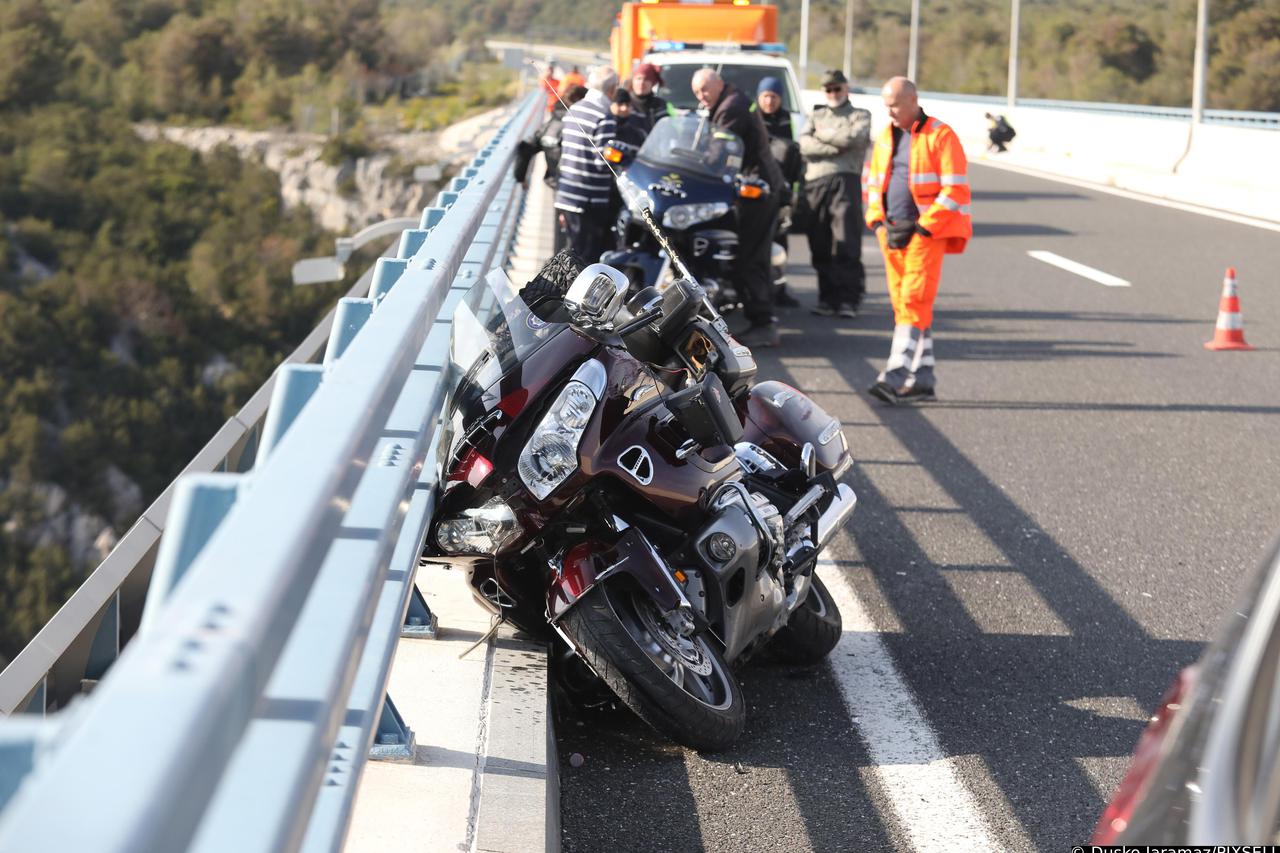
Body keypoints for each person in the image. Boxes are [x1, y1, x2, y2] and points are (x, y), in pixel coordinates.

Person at [864, 77, 971, 404]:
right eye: (886, 105)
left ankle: (895, 375)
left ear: (913, 101)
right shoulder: (885, 136)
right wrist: (878, 223)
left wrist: (925, 227)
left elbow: (956, 189)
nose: (890, 111)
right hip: (892, 234)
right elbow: (873, 183)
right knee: (904, 305)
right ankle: (923, 377)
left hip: (926, 234)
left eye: (894, 105)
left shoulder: (941, 136)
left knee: (913, 300)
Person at [692, 68, 786, 348]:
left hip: (758, 189)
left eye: (705, 90)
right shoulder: (728, 99)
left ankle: (764, 322)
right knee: (743, 251)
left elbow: (717, 150)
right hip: (751, 185)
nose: (701, 96)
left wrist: (695, 165)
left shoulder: (731, 107)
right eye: (697, 92)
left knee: (751, 255)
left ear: (718, 85)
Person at [799, 69, 871, 320]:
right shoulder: (815, 114)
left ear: (845, 88)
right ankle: (827, 297)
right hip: (816, 182)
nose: (832, 94)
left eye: (837, 89)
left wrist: (823, 136)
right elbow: (804, 144)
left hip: (845, 181)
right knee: (820, 241)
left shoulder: (860, 115)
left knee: (846, 241)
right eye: (828, 90)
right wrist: (834, 146)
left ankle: (848, 299)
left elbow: (854, 138)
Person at [554, 67, 620, 264]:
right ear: (612, 89)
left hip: (566, 194)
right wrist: (619, 155)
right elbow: (603, 162)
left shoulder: (575, 108)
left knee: (572, 253)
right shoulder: (604, 116)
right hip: (588, 199)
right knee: (585, 259)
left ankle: (560, 292)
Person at [754, 76, 803, 308]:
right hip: (757, 191)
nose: (770, 101)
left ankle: (780, 288)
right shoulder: (752, 119)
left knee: (781, 240)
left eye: (774, 96)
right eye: (766, 96)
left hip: (782, 190)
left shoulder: (787, 120)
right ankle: (759, 291)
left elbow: (795, 154)